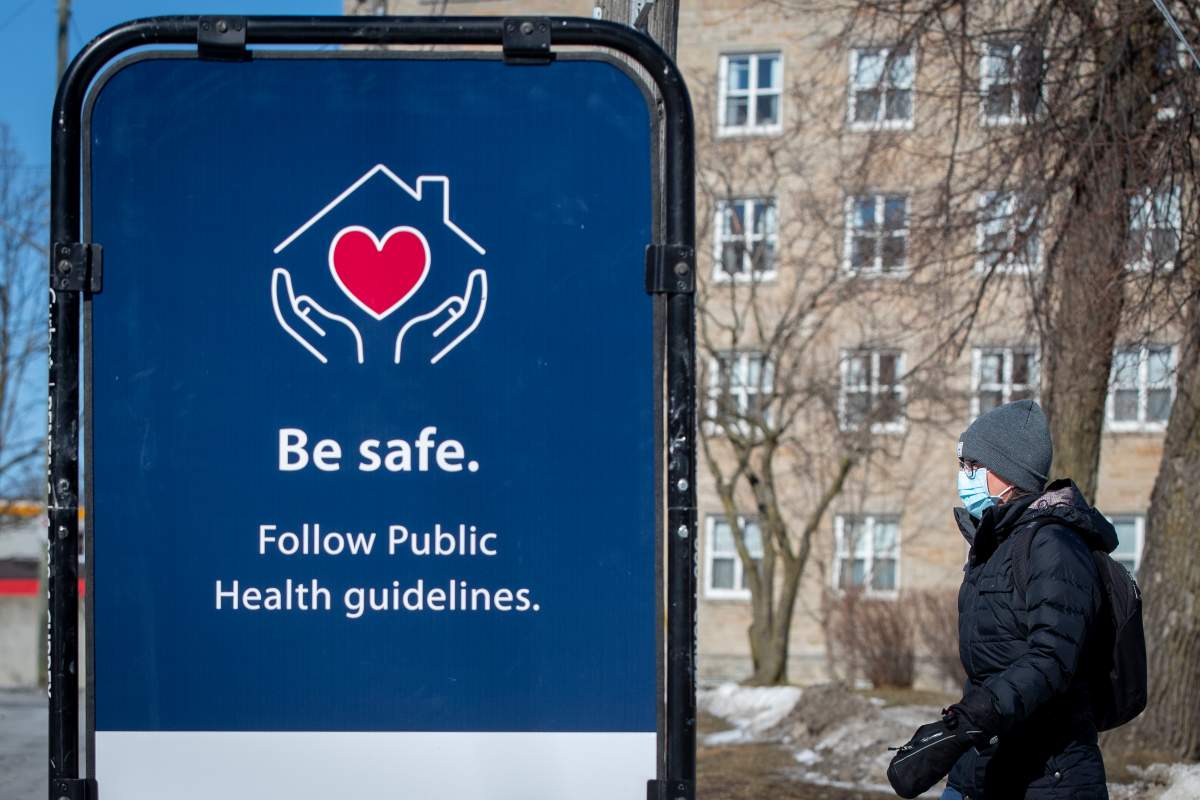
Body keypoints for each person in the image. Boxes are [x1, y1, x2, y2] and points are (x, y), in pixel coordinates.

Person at [886, 399, 1117, 799]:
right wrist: (964, 727)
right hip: (983, 764)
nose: (964, 476)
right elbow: (993, 662)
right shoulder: (994, 544)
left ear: (1008, 472)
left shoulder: (1055, 545)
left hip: (1049, 777)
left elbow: (1052, 657)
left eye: (974, 466)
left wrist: (977, 716)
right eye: (963, 465)